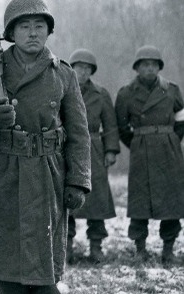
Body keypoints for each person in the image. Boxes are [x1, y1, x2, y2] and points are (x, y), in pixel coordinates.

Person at [0, 0, 90, 293]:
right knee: (7, 266)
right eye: (25, 27)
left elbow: (79, 132)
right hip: (7, 173)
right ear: (10, 34)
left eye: (39, 26)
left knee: (43, 266)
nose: (33, 33)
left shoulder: (63, 73)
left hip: (48, 174)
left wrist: (78, 181)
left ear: (48, 31)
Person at [115, 45, 184, 264]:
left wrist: (171, 139)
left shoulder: (172, 90)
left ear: (159, 67)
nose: (150, 69)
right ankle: (140, 249)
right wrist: (138, 142)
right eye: (145, 65)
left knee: (171, 201)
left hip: (169, 151)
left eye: (154, 65)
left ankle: (168, 249)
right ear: (137, 68)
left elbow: (181, 119)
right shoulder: (126, 93)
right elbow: (122, 127)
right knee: (139, 201)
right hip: (141, 151)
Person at [65, 49, 120, 264]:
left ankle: (96, 247)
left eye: (88, 69)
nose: (83, 72)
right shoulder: (62, 90)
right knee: (67, 198)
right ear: (72, 69)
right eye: (79, 68)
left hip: (94, 150)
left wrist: (111, 151)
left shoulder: (101, 94)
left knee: (97, 200)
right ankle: (65, 246)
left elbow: (111, 125)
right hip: (67, 148)